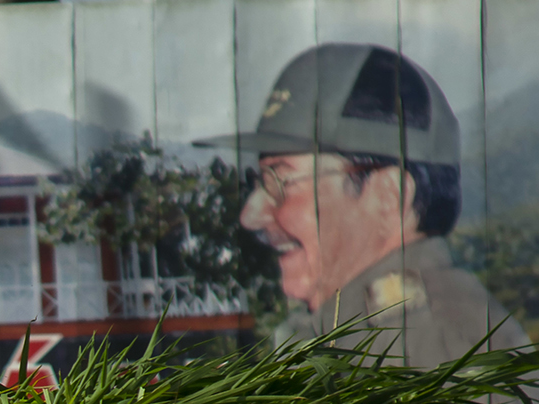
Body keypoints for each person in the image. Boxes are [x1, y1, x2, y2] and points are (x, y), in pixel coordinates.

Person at [194, 43, 532, 368]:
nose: (251, 215)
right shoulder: (365, 336)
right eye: (260, 184)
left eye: (280, 183)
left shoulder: (427, 345)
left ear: (389, 196)